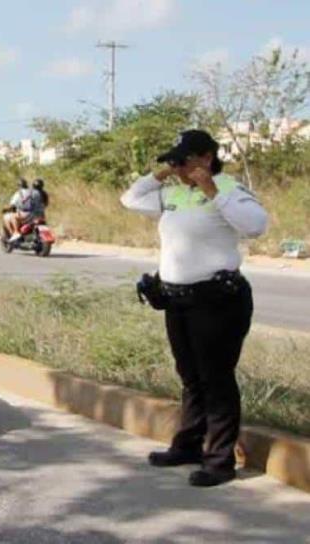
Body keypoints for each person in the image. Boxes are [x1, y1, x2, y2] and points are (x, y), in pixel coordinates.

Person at [121, 129, 268, 487]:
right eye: (174, 161)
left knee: (216, 379)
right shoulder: (172, 193)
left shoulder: (228, 189)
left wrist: (212, 191)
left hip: (218, 300)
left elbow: (256, 226)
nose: (179, 168)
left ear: (205, 158)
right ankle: (188, 446)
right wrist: (162, 174)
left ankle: (219, 462)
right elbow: (129, 198)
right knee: (190, 377)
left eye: (183, 161)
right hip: (177, 299)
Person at [4, 178, 40, 243]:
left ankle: (16, 232)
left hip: (24, 214)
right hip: (33, 214)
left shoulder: (18, 193)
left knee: (11, 216)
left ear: (19, 186)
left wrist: (5, 209)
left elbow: (12, 205)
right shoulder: (33, 192)